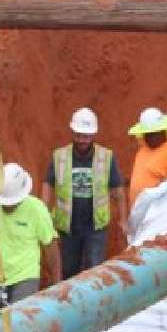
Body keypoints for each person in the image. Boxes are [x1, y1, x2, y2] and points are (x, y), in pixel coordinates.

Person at [42, 107, 128, 280]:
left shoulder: (106, 157)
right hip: (67, 226)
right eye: (79, 135)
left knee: (94, 269)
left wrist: (123, 220)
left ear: (93, 135)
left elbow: (118, 190)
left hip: (95, 226)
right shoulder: (59, 156)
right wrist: (44, 211)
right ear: (72, 132)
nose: (82, 140)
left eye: (86, 136)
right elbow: (48, 183)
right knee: (68, 269)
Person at [0, 162, 62, 311]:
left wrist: (57, 282)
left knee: (19, 320)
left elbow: (50, 247)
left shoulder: (37, 210)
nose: (8, 206)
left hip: (25, 277)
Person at [127, 107, 167, 208]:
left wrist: (165, 183)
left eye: (152, 134)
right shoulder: (143, 150)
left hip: (156, 211)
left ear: (162, 131)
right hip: (138, 212)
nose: (148, 137)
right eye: (146, 134)